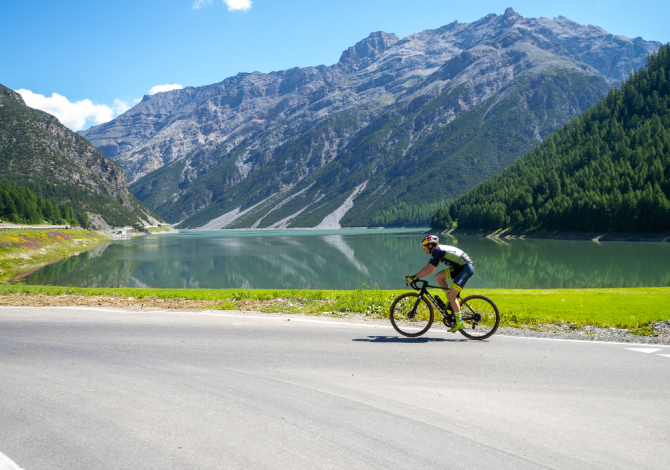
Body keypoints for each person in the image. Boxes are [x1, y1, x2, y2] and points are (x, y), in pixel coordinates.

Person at [405, 235, 475, 333]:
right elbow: (431, 270)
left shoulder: (437, 250)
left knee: (452, 295)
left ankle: (459, 322)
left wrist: (415, 277)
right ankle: (451, 302)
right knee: (438, 277)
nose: (423, 249)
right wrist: (417, 276)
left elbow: (428, 268)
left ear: (430, 245)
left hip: (465, 269)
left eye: (424, 246)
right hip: (460, 268)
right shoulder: (438, 251)